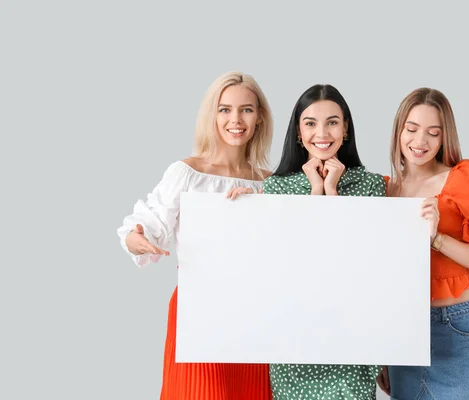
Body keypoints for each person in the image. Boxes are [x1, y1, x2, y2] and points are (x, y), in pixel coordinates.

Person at [116, 71, 275, 400]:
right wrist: (137, 237)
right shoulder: (186, 173)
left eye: (246, 109)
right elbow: (149, 222)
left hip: (256, 313)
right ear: (212, 116)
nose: (236, 119)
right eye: (225, 109)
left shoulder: (273, 182)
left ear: (259, 118)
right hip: (198, 311)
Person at [376, 88, 469, 400]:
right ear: (399, 131)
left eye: (433, 133)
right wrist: (383, 354)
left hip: (459, 328)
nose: (420, 141)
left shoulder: (465, 177)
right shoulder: (384, 191)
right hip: (404, 333)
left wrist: (437, 239)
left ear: (444, 138)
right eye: (411, 129)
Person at [262, 84, 386, 400]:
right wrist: (316, 191)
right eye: (310, 123)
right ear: (298, 132)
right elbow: (291, 262)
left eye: (332, 121)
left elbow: (362, 261)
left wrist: (332, 192)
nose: (322, 132)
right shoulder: (277, 188)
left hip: (353, 336)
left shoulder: (371, 185)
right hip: (294, 338)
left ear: (345, 129)